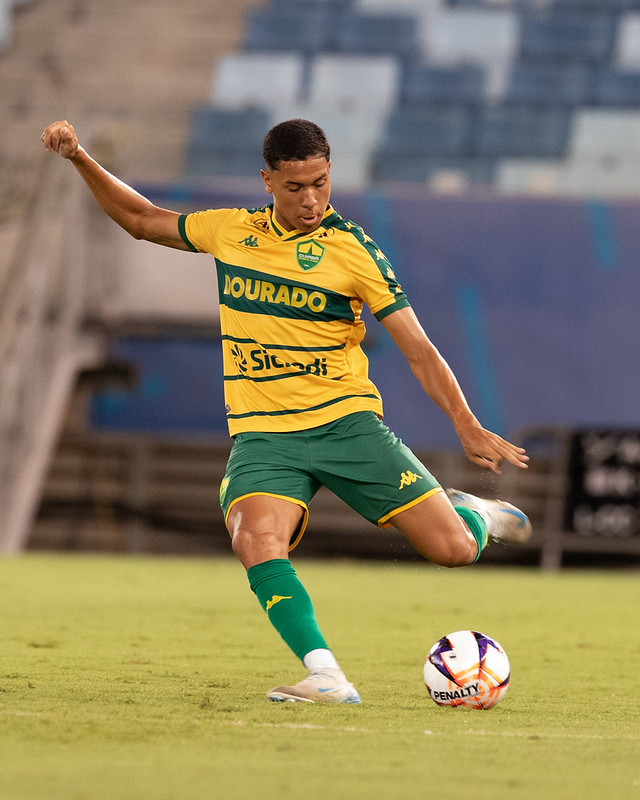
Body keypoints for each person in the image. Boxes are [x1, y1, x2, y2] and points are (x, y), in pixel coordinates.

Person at [41, 118, 531, 705]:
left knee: (453, 551)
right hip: (265, 435)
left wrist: (465, 423)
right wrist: (79, 156)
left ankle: (475, 514)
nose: (310, 200)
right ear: (268, 180)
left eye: (320, 184)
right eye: (295, 187)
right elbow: (142, 219)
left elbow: (419, 349)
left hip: (345, 423)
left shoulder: (353, 250)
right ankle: (326, 676)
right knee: (254, 539)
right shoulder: (232, 231)